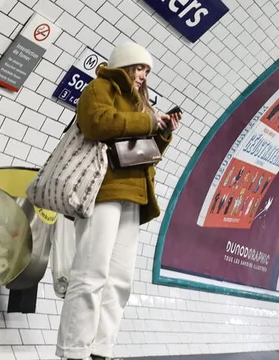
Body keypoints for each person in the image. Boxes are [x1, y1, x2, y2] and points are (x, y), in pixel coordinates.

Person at [56, 41, 181, 360]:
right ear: (124, 64)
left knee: (120, 280)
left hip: (133, 196)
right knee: (91, 271)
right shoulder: (101, 87)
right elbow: (97, 123)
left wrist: (162, 132)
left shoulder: (141, 103)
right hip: (103, 190)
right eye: (140, 67)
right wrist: (149, 122)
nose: (143, 75)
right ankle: (74, 350)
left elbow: (141, 154)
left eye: (147, 70)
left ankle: (100, 350)